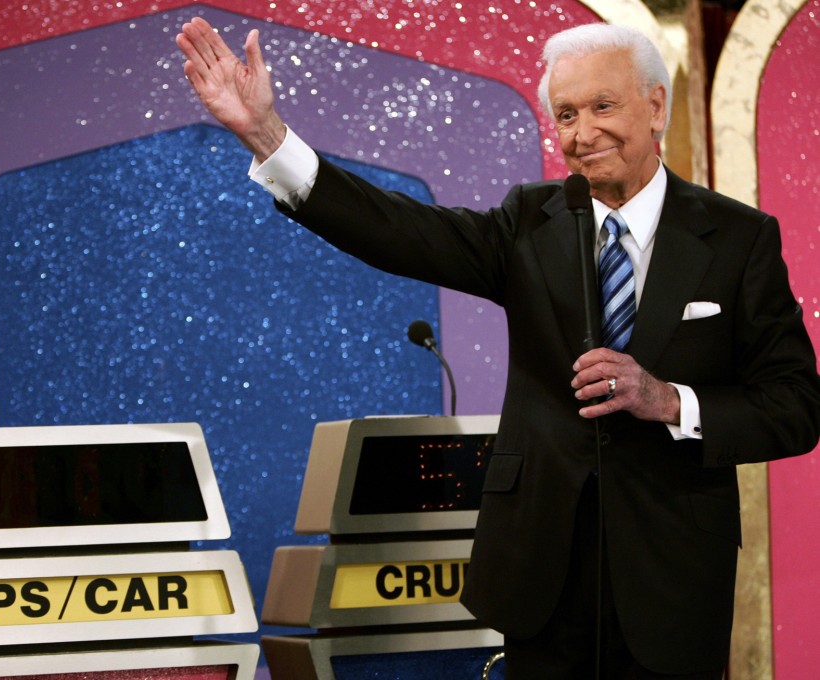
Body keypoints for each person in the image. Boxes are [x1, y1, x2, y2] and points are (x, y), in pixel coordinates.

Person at [176, 16, 820, 679]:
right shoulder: (529, 222)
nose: (582, 131)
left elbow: (796, 407)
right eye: (566, 114)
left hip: (674, 580)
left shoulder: (740, 240)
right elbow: (394, 229)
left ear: (656, 106)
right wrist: (264, 134)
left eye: (603, 106)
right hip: (542, 581)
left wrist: (668, 400)